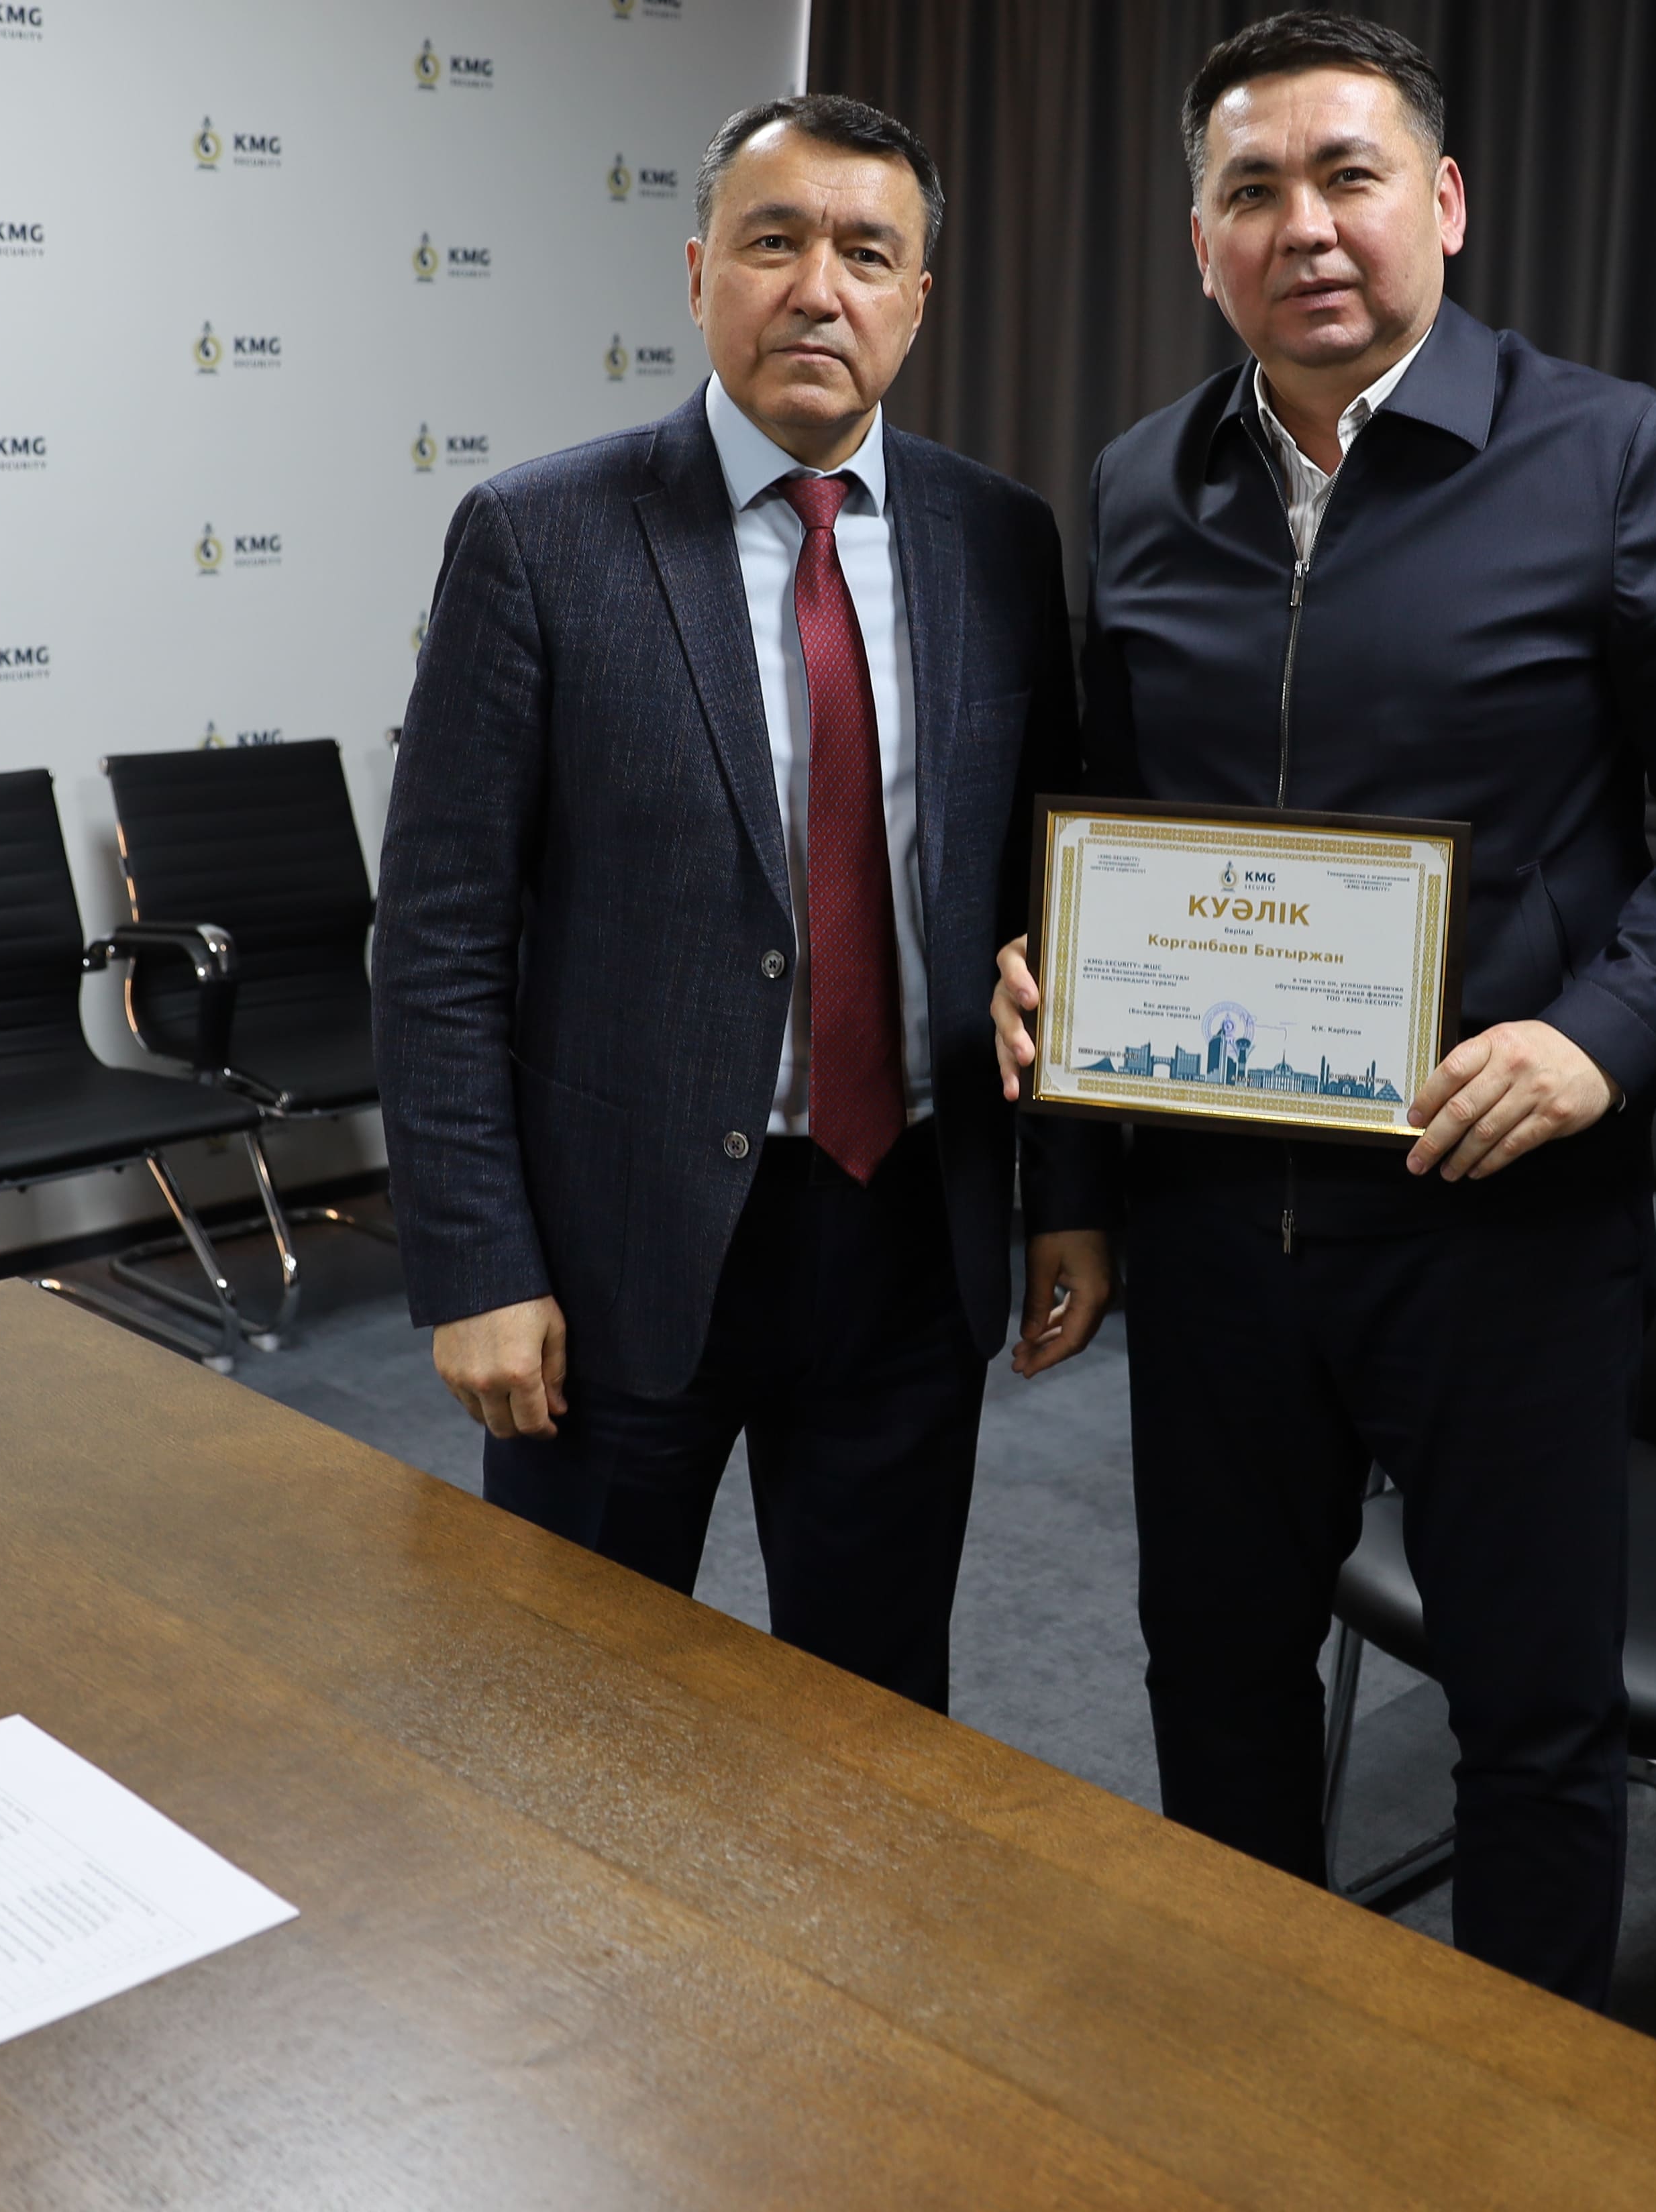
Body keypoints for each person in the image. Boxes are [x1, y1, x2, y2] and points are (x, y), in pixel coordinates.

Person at [992, 9, 1656, 2006]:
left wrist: (1603, 1035)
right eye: (1252, 189)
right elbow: (1101, 822)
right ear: (1200, 240)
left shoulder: (1611, 453)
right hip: (1218, 1223)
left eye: (1348, 175)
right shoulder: (1139, 481)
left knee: (1531, 1718)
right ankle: (1262, 2064)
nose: (1305, 225)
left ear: (1442, 204)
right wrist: (1067, 1107)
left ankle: (1513, 2118)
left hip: (1502, 1224)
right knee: (1215, 1676)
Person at [373, 93, 1106, 1715]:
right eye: (775, 242)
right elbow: (437, 938)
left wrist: (1067, 1189)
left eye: (868, 253)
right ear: (703, 270)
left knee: (873, 1709)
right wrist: (476, 1263)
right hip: (616, 1248)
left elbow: (1045, 901)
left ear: (919, 298)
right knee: (569, 1704)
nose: (818, 288)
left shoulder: (1002, 541)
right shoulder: (539, 537)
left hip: (908, 1232)